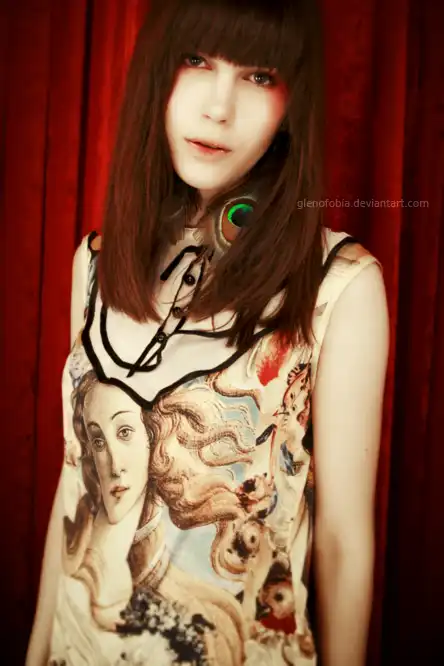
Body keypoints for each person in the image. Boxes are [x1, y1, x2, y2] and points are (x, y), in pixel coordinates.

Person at [26, 0, 390, 664]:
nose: (219, 107)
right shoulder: (98, 262)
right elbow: (74, 489)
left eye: (259, 75)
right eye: (196, 60)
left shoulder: (339, 286)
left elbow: (342, 543)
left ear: (292, 103)